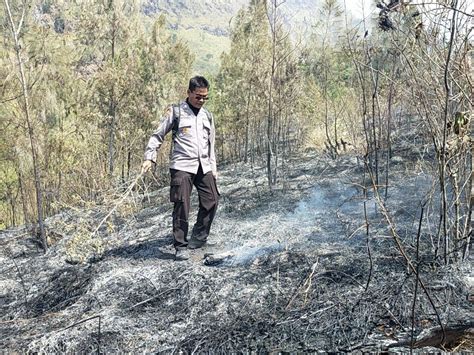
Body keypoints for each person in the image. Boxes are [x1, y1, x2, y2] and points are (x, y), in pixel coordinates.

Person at [142, 76, 219, 260]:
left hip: (203, 165)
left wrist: (213, 168)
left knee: (212, 200)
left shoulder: (207, 116)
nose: (201, 101)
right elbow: (157, 135)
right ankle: (181, 245)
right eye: (198, 97)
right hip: (182, 165)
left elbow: (211, 145)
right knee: (182, 205)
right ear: (189, 93)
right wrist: (149, 157)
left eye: (204, 98)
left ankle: (198, 239)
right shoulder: (176, 112)